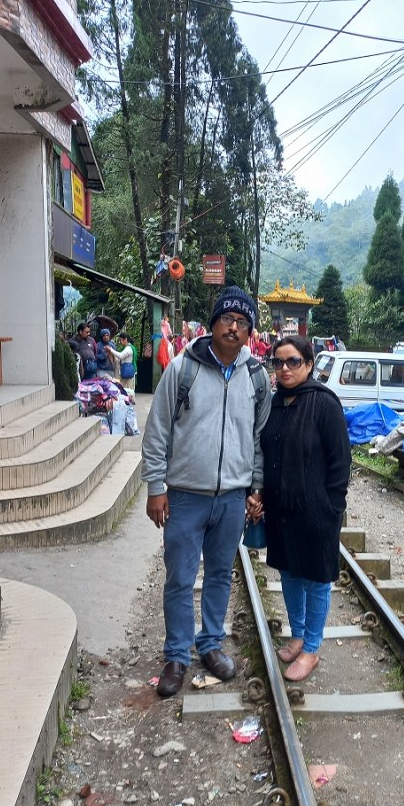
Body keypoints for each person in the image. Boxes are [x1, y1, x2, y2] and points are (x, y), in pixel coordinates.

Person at [142, 286, 272, 698]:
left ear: (250, 330)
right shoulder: (183, 369)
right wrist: (155, 486)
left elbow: (258, 437)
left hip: (232, 497)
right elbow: (157, 430)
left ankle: (210, 644)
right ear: (213, 322)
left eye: (242, 322)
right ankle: (177, 655)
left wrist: (255, 486)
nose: (233, 327)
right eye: (227, 319)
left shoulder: (256, 376)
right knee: (180, 577)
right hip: (183, 495)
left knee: (219, 573)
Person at [259, 335, 351, 682]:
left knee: (315, 581)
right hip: (281, 508)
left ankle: (311, 649)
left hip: (316, 512)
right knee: (289, 573)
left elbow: (341, 462)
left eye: (293, 361)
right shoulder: (274, 404)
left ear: (309, 365)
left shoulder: (325, 404)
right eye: (278, 362)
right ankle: (298, 635)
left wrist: (332, 509)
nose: (284, 368)